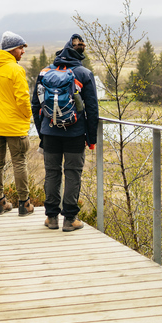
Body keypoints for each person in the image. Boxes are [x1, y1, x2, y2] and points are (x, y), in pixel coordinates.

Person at [31, 34, 99, 232]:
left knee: (52, 173)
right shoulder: (84, 74)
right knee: (72, 174)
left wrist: (42, 133)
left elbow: (36, 105)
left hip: (49, 131)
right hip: (75, 133)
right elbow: (92, 109)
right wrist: (91, 138)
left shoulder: (45, 72)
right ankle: (70, 219)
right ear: (81, 53)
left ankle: (51, 217)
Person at [0, 31, 35, 216]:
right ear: (11, 50)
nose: (23, 52)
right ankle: (24, 204)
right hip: (14, 126)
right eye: (21, 48)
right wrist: (28, 116)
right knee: (19, 162)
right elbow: (23, 99)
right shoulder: (16, 70)